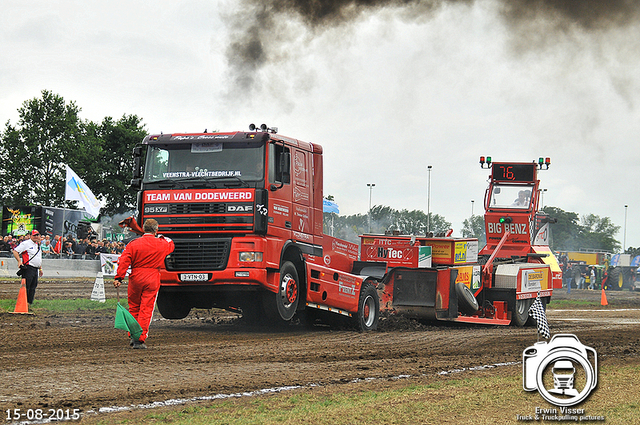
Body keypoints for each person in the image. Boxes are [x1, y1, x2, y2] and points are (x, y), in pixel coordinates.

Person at [113, 219, 174, 349]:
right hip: (152, 277)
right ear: (156, 230)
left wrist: (119, 278)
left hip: (135, 277)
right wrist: (160, 236)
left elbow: (124, 260)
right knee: (146, 309)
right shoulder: (161, 243)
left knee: (134, 307)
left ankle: (133, 335)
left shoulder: (133, 243)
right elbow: (171, 243)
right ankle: (139, 339)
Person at [12, 230, 44, 305]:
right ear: (30, 236)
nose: (36, 237)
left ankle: (29, 302)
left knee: (33, 286)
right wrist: (19, 261)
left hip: (35, 268)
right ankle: (23, 302)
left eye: (37, 235)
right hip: (28, 268)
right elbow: (15, 251)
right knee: (27, 286)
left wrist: (40, 268)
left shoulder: (37, 245)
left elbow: (38, 258)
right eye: (34, 235)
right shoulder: (26, 243)